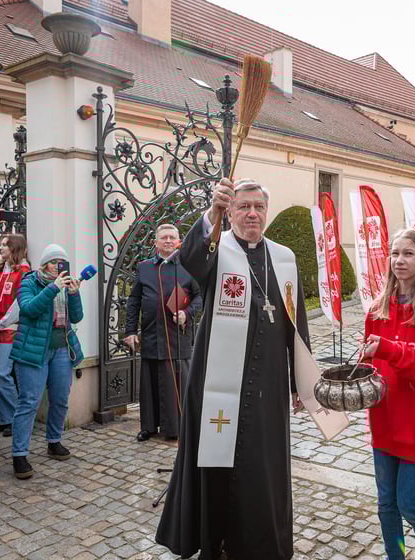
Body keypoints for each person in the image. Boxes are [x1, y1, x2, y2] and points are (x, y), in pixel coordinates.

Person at [156, 178, 309, 560]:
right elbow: (190, 259)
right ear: (232, 210)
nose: (252, 213)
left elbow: (297, 323)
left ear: (267, 212)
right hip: (216, 384)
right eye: (243, 207)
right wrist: (213, 212)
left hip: (268, 384)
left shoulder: (285, 258)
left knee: (262, 467)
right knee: (216, 462)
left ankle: (257, 544)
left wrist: (299, 383)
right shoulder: (217, 251)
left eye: (258, 206)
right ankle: (216, 540)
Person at [362, 229, 415, 560]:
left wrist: (388, 349)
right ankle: (395, 556)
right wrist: (366, 357)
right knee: (386, 503)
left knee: (409, 502)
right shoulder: (376, 309)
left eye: (408, 253)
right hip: (383, 420)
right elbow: (371, 367)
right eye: (395, 253)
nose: (399, 259)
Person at [9, 244, 83, 479]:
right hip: (34, 351)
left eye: (63, 262)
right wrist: (53, 288)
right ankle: (19, 454)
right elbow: (29, 309)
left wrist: (74, 294)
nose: (59, 266)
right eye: (54, 262)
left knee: (60, 399)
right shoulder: (29, 281)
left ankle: (54, 441)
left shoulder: (64, 285)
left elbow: (77, 316)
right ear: (44, 264)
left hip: (61, 349)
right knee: (29, 402)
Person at [125, 223, 202, 442]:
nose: (168, 241)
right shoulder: (144, 267)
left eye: (172, 238)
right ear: (156, 242)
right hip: (150, 335)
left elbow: (199, 296)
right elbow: (134, 301)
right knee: (149, 385)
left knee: (175, 384)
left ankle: (176, 429)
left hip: (177, 336)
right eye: (163, 238)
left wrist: (187, 313)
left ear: (179, 241)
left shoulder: (188, 267)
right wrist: (130, 330)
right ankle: (148, 426)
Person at [0, 234, 30, 437]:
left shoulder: (23, 271)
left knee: (0, 373)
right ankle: (3, 418)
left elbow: (18, 304)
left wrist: (1, 324)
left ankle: (16, 418)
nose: (0, 248)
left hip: (8, 329)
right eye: (1, 244)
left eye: (5, 245)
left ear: (15, 248)